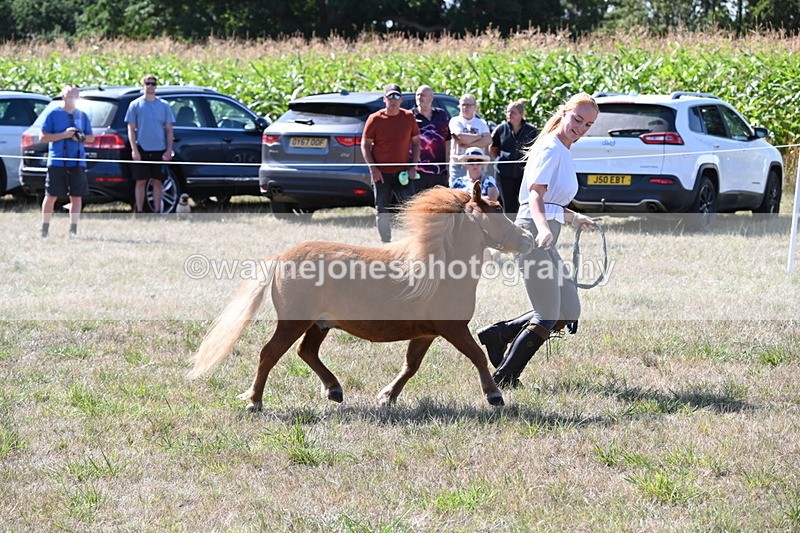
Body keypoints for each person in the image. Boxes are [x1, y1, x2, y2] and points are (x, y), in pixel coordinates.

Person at [477, 92, 600, 389]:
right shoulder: (549, 148)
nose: (581, 127)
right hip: (531, 237)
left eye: (588, 124)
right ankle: (504, 378)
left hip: (544, 235)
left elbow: (553, 200)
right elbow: (535, 196)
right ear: (565, 113)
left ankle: (500, 333)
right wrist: (544, 229)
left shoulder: (563, 149)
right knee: (548, 314)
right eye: (577, 119)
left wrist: (573, 218)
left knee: (568, 310)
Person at [361, 83, 421, 243]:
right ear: (384, 99)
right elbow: (365, 145)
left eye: (396, 97)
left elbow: (416, 143)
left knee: (411, 209)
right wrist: (373, 169)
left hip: (403, 174)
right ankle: (385, 243)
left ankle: (414, 240)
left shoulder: (408, 117)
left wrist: (413, 167)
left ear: (401, 100)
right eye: (390, 97)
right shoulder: (374, 119)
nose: (393, 100)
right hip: (381, 175)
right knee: (382, 210)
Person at [39, 85, 95, 238]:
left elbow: (91, 137)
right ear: (63, 96)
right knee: (51, 195)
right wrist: (64, 134)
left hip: (77, 162)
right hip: (57, 161)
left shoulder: (82, 115)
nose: (73, 98)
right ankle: (44, 229)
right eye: (70, 95)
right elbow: (43, 137)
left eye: (76, 96)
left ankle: (73, 230)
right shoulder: (53, 114)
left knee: (76, 196)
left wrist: (81, 137)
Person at [125, 74, 175, 213]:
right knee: (140, 181)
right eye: (148, 83)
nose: (150, 86)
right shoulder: (135, 105)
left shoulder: (164, 106)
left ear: (156, 86)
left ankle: (157, 211)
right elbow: (131, 128)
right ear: (143, 85)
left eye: (153, 83)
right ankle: (139, 210)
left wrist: (168, 150)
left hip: (159, 148)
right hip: (142, 148)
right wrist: (134, 150)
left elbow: (169, 129)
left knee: (157, 181)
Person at [491, 99, 539, 218]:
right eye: (508, 112)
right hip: (504, 173)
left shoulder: (531, 131)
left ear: (521, 114)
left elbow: (537, 150)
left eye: (513, 112)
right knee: (507, 203)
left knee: (525, 201)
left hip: (524, 173)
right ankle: (509, 227)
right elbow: (493, 148)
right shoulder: (500, 129)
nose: (509, 115)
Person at [411, 85, 451, 192]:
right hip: (418, 171)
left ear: (431, 98)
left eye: (423, 95)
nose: (419, 98)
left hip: (440, 170)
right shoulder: (410, 116)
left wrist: (448, 165)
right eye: (417, 95)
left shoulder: (441, 114)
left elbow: (447, 140)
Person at [449, 93, 491, 187]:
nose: (465, 107)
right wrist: (479, 136)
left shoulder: (481, 123)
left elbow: (488, 140)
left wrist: (468, 144)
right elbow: (460, 137)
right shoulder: (455, 121)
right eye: (463, 105)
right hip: (458, 164)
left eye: (469, 105)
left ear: (474, 107)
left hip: (477, 164)